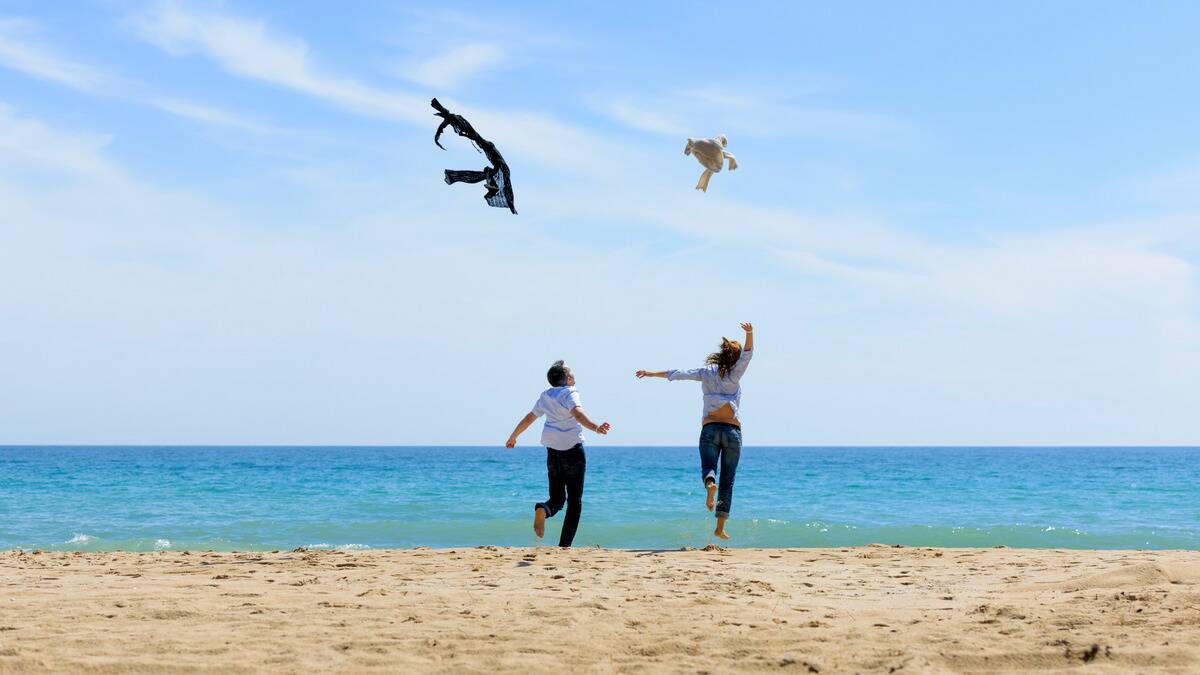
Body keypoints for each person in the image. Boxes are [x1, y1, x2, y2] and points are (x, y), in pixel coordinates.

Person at [636, 323, 753, 539]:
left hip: (709, 428)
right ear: (735, 359)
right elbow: (748, 355)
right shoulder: (736, 375)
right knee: (729, 479)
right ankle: (719, 527)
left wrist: (652, 373)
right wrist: (749, 334)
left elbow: (678, 373)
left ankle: (710, 483)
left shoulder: (706, 372)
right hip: (732, 432)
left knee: (709, 467)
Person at [505, 360, 610, 547]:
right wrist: (596, 427)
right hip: (573, 453)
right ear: (568, 379)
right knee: (574, 502)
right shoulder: (570, 393)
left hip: (553, 452)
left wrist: (514, 436)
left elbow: (530, 418)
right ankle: (564, 545)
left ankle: (543, 510)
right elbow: (577, 414)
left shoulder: (545, 396)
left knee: (557, 499)